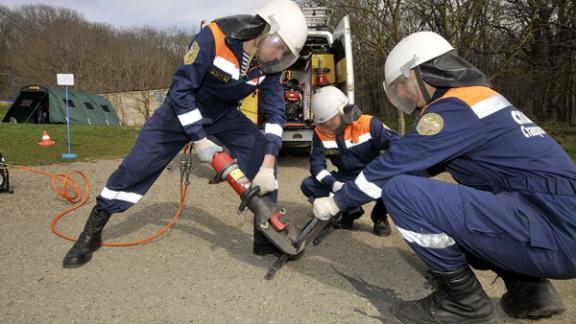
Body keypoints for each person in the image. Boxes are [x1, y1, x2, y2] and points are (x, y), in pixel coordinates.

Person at [312, 31, 575, 323]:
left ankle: (463, 303)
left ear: (420, 73)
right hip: (557, 221)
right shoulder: (481, 98)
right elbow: (417, 166)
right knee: (462, 199)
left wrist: (337, 201)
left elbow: (397, 166)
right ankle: (530, 289)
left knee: (401, 193)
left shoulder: (453, 108)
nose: (405, 96)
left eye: (403, 86)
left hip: (557, 232)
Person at [62, 0, 308, 268]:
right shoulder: (215, 36)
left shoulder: (269, 66)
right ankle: (93, 230)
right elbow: (181, 90)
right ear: (264, 30)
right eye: (280, 46)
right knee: (136, 167)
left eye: (286, 52)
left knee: (260, 150)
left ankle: (266, 232)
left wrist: (269, 159)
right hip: (179, 111)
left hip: (222, 113)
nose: (279, 56)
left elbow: (275, 112)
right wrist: (199, 137)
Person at [300, 86, 399, 236]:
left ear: (342, 111)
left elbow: (399, 147)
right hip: (345, 177)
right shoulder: (320, 132)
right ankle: (352, 210)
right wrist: (333, 184)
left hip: (372, 174)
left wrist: (384, 170)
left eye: (329, 121)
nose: (325, 127)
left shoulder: (369, 124)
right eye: (321, 123)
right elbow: (316, 166)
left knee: (396, 179)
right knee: (308, 185)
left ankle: (379, 216)